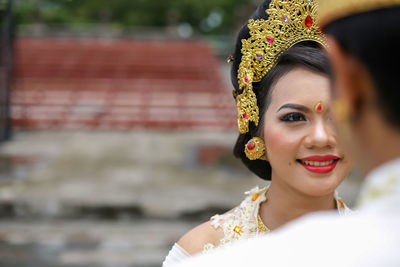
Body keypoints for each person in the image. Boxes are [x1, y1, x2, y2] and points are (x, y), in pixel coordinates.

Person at [174, 0, 400, 266]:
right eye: (294, 117)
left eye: (334, 115)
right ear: (255, 127)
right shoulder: (202, 252)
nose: (321, 137)